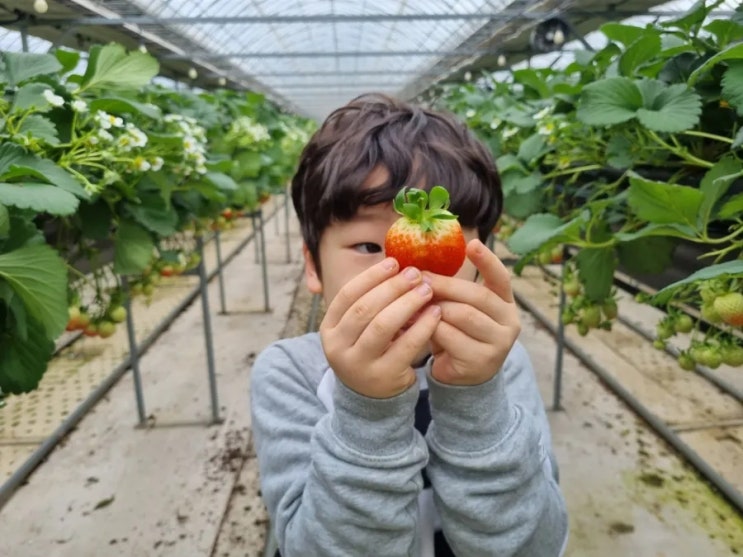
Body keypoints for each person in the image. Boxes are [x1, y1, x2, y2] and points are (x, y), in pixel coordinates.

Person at [250, 93, 569, 557]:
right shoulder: (289, 374)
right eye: (367, 247)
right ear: (313, 267)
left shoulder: (501, 367)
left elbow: (534, 547)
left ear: (482, 258)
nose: (408, 275)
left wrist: (476, 398)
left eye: (443, 242)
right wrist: (366, 411)